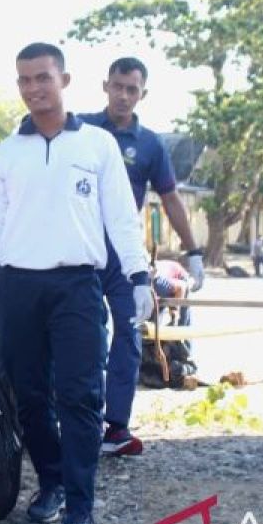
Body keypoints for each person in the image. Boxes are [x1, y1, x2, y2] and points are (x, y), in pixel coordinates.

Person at [0, 43, 152, 524]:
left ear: (65, 80)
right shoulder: (9, 152)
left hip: (78, 286)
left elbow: (122, 219)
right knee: (28, 398)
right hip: (16, 288)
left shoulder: (98, 146)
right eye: (25, 80)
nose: (34, 88)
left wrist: (140, 277)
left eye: (43, 77)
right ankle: (52, 480)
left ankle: (79, 509)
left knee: (80, 397)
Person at [77, 57, 203, 457]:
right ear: (105, 86)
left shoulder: (150, 144)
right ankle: (80, 420)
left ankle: (117, 426)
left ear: (142, 94)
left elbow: (170, 197)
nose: (124, 95)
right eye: (118, 86)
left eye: (132, 89)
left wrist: (193, 250)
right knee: (85, 336)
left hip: (124, 252)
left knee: (129, 334)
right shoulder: (80, 129)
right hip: (80, 247)